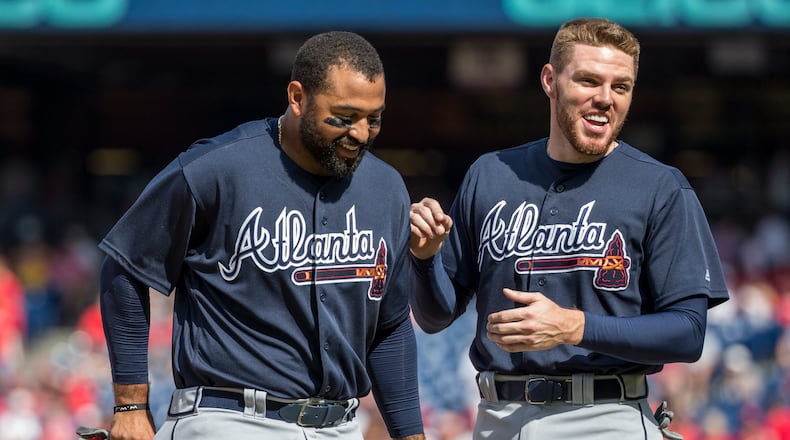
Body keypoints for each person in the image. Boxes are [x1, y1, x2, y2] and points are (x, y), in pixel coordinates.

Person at [408, 17, 729, 440]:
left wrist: (575, 327)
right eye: (589, 81)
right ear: (550, 80)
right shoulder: (490, 175)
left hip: (605, 417)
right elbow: (434, 317)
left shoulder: (660, 187)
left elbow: (688, 333)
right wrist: (425, 258)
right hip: (497, 417)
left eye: (621, 87)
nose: (604, 99)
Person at [97, 31, 425, 440]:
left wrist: (410, 433)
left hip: (340, 426)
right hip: (229, 419)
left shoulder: (386, 188)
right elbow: (125, 266)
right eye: (342, 117)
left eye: (373, 118)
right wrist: (130, 404)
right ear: (297, 97)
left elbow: (390, 326)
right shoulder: (215, 168)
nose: (360, 133)